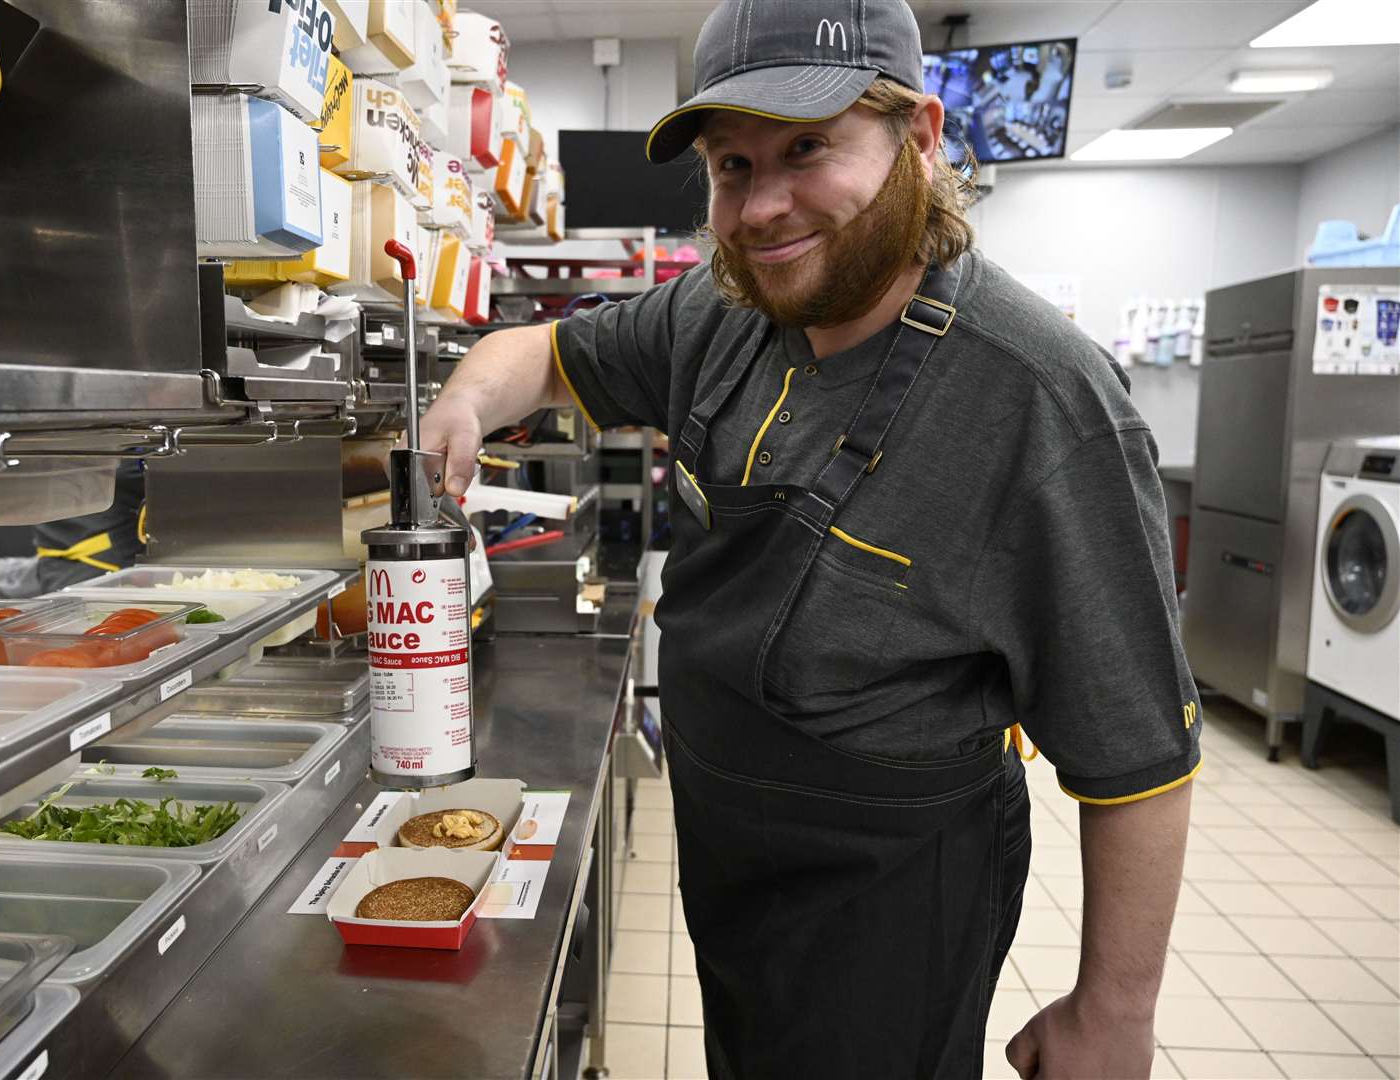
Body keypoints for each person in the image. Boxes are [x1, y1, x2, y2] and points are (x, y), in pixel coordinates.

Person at [420, 0, 1200, 1075]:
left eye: (807, 148)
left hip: (887, 898)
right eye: (732, 166)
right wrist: (467, 398)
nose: (762, 206)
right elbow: (546, 354)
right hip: (734, 847)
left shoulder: (1044, 401)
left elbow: (1141, 750)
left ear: (920, 137)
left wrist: (1114, 1011)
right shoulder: (723, 311)